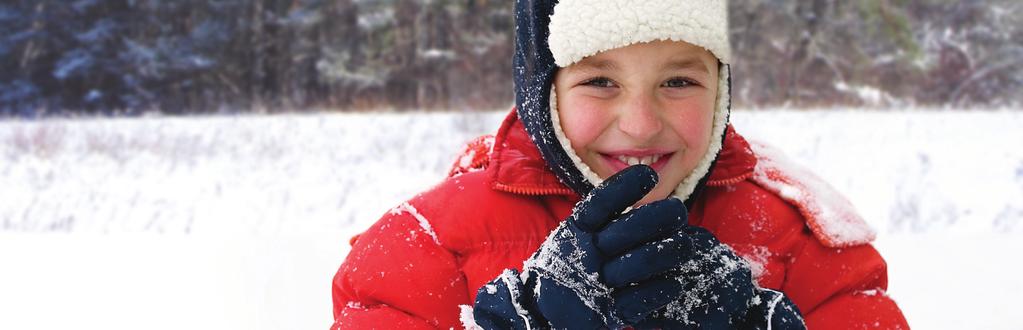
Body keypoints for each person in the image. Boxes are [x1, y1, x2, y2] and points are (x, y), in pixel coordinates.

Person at [330, 0, 910, 329]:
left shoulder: (807, 251)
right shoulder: (424, 248)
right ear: (543, 90)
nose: (639, 122)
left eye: (679, 81)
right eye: (599, 81)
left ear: (722, 89)